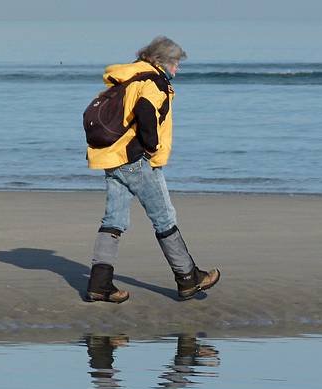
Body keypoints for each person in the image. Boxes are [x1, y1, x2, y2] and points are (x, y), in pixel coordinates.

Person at [85, 36, 220, 303]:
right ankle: (187, 277)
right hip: (133, 160)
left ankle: (99, 285)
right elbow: (146, 111)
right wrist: (150, 146)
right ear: (163, 61)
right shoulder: (152, 81)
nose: (177, 69)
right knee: (164, 216)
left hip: (112, 156)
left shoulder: (129, 76)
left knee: (114, 219)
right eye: (176, 63)